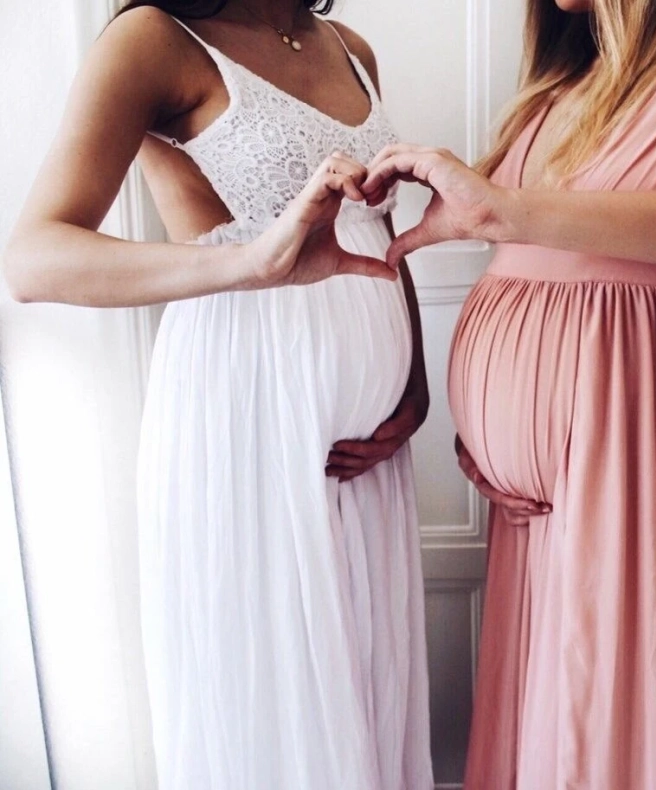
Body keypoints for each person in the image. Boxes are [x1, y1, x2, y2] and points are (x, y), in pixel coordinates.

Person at [362, 0, 656, 787]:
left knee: (612, 715)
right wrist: (494, 427)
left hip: (636, 455)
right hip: (524, 507)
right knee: (548, 722)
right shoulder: (562, 80)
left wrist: (502, 209)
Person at [2, 2, 433, 788]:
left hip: (367, 455)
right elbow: (34, 259)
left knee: (361, 686)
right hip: (248, 415)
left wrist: (415, 383)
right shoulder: (153, 39)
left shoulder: (350, 47)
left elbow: (378, 231)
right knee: (277, 689)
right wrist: (253, 262)